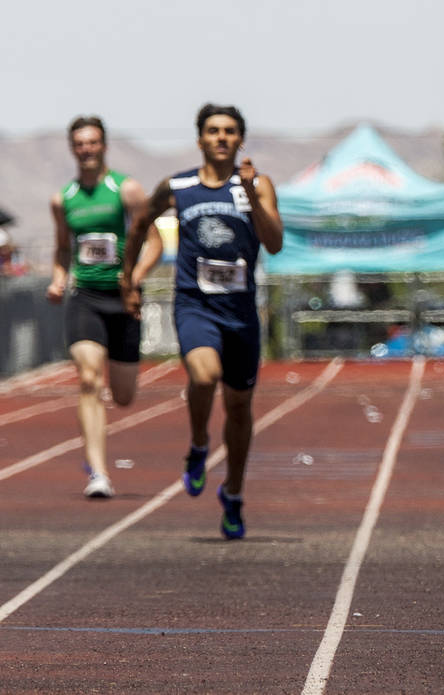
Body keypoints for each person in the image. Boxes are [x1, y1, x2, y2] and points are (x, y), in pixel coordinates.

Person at [121, 104, 283, 539]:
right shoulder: (178, 186)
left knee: (239, 407)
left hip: (241, 312)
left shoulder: (256, 184)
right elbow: (139, 225)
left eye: (230, 131)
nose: (221, 138)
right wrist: (129, 278)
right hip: (195, 304)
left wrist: (250, 194)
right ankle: (197, 444)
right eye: (213, 131)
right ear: (200, 139)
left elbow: (275, 243)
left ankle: (232, 492)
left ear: (240, 139)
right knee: (204, 374)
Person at [45, 116, 162, 498]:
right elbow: (63, 246)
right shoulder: (63, 199)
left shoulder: (125, 190)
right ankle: (98, 473)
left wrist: (135, 278)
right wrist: (59, 278)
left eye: (92, 142)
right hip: (86, 299)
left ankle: (98, 463)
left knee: (124, 396)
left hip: (123, 300)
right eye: (79, 143)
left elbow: (155, 241)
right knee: (89, 379)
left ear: (104, 146)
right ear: (72, 148)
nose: (86, 149)